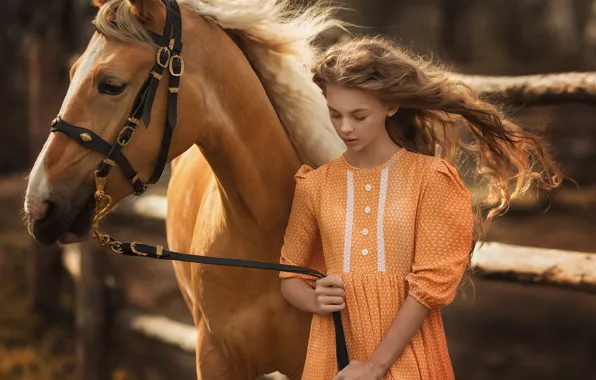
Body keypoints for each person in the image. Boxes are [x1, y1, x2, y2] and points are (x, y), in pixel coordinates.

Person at [279, 35, 563, 380]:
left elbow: (429, 287)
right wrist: (313, 300)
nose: (345, 128)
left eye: (359, 115)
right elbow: (290, 275)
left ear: (391, 106)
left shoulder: (430, 180)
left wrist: (374, 366)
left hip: (406, 358)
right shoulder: (315, 185)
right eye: (335, 114)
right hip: (333, 357)